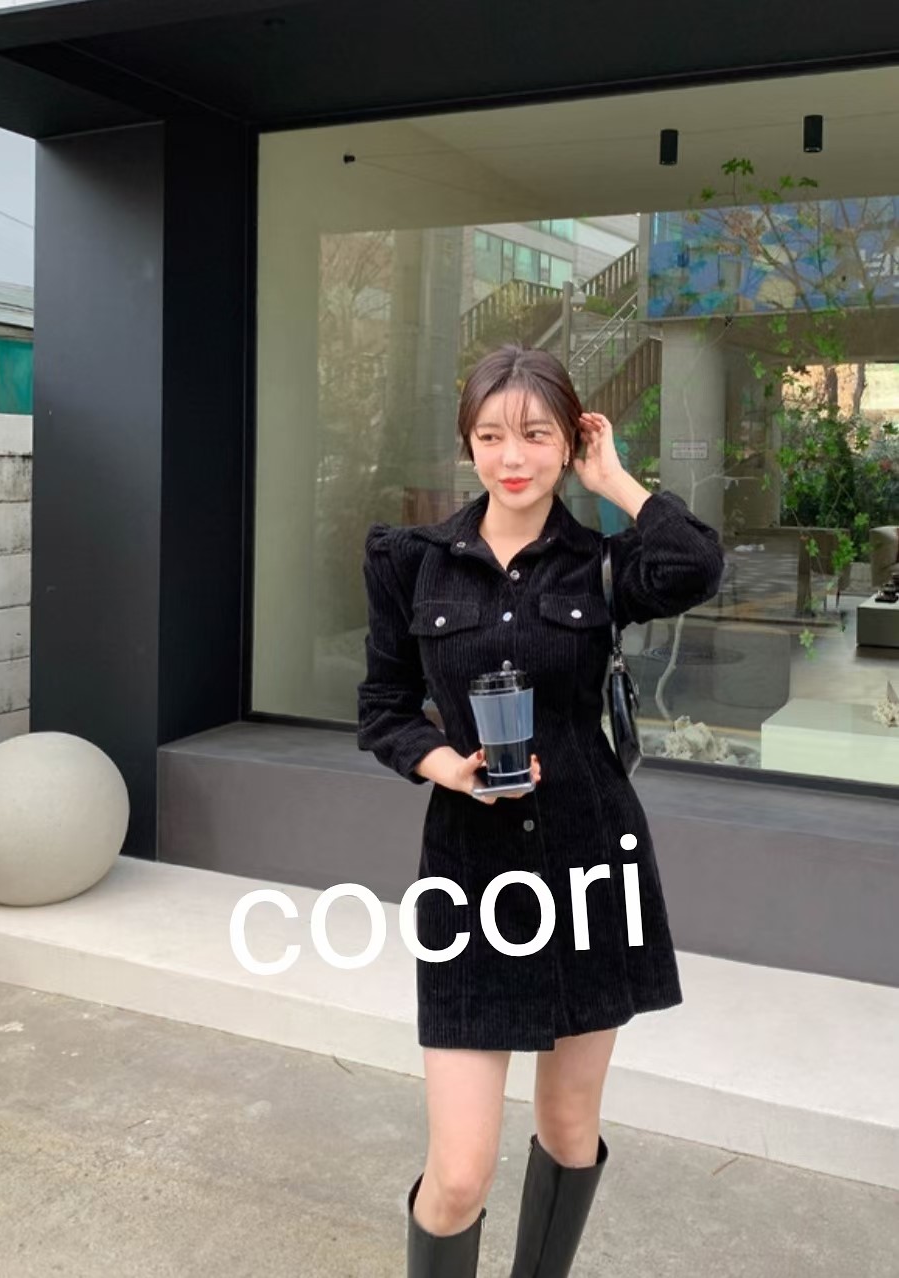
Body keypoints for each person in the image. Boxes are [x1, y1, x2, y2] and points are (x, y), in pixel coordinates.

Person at [357, 343, 725, 1276]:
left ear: (570, 442)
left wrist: (616, 481)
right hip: (471, 878)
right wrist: (449, 767)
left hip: (590, 862)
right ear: (468, 444)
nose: (511, 457)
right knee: (459, 1174)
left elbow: (694, 563)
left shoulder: (601, 564)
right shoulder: (412, 563)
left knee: (568, 1127)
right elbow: (384, 710)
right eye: (489, 436)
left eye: (534, 435)